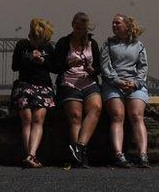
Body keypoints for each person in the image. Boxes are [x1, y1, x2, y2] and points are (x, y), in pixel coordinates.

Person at [50, 12, 102, 168]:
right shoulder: (63, 43)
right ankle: (80, 157)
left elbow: (98, 68)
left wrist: (92, 69)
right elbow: (54, 67)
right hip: (69, 83)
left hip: (89, 82)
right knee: (75, 115)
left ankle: (79, 148)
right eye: (78, 28)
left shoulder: (93, 43)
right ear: (73, 26)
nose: (80, 32)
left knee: (96, 108)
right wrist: (68, 65)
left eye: (83, 29)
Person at [101, 14, 150, 168]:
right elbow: (106, 68)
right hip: (114, 85)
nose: (114, 25)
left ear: (126, 26)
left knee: (136, 115)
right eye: (113, 23)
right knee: (118, 115)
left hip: (134, 85)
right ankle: (118, 154)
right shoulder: (108, 44)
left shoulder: (138, 45)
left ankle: (143, 154)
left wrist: (135, 83)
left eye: (117, 23)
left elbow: (143, 67)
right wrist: (118, 82)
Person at [10, 18, 57, 168]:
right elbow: (15, 66)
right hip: (24, 85)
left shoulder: (48, 48)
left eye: (41, 40)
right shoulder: (22, 45)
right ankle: (31, 155)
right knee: (27, 118)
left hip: (43, 87)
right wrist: (29, 59)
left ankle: (31, 155)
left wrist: (42, 61)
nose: (38, 43)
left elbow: (55, 67)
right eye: (36, 39)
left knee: (38, 118)